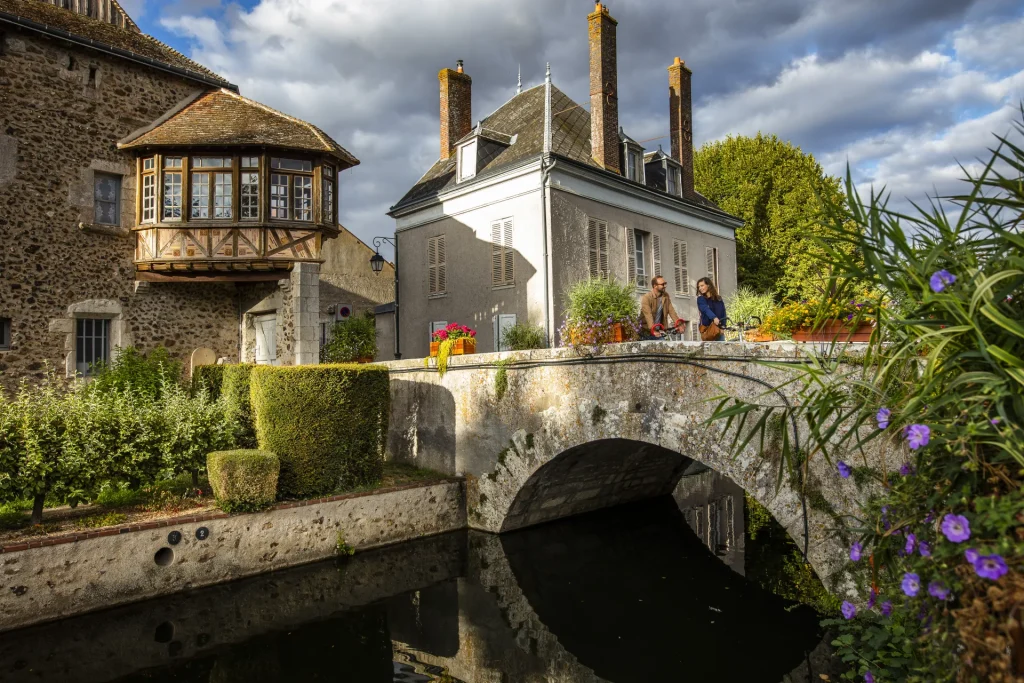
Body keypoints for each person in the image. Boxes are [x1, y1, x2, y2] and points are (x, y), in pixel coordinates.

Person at [696, 277, 727, 341]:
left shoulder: (718, 298)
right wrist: (714, 317)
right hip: (707, 330)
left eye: (702, 285)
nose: (700, 288)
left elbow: (723, 312)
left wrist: (723, 326)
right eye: (699, 287)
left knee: (721, 349)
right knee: (709, 350)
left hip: (719, 330)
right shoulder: (701, 299)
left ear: (708, 285)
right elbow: (705, 309)